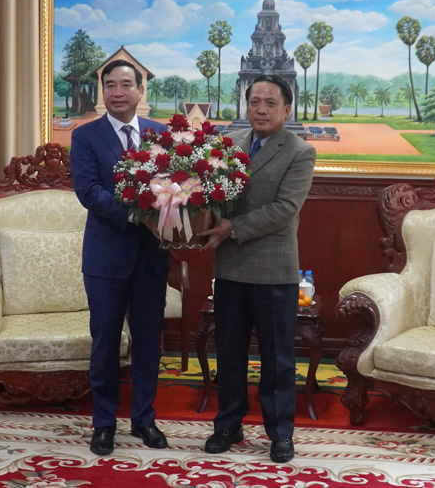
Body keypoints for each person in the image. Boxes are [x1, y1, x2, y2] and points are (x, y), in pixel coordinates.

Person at [198, 74, 316, 463]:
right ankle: (228, 425)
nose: (261, 109)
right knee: (229, 352)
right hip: (229, 266)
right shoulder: (229, 145)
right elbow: (211, 196)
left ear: (287, 109)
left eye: (269, 103)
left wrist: (232, 227)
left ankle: (280, 433)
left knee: (277, 358)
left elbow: (286, 209)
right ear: (245, 106)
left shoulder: (299, 151)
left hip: (273, 270)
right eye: (254, 102)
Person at [70, 59, 170, 456]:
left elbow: (174, 187)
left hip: (150, 258)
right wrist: (137, 215)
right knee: (106, 342)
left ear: (139, 90)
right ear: (103, 90)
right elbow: (88, 191)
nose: (116, 92)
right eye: (109, 85)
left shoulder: (161, 135)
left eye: (125, 84)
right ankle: (104, 423)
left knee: (149, 343)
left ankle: (145, 419)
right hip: (106, 257)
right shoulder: (86, 136)